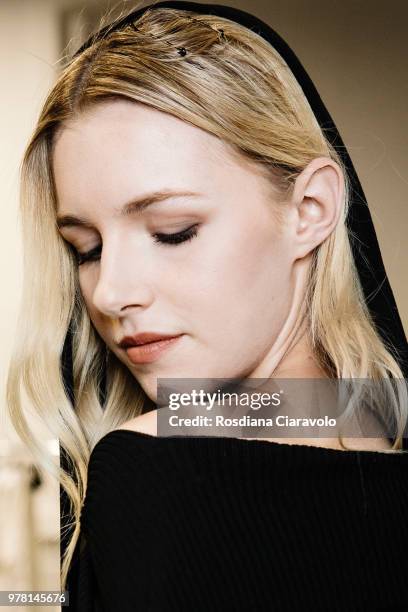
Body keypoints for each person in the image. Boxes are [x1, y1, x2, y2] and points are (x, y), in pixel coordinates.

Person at [6, 1, 408, 610]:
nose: (111, 293)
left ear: (310, 211)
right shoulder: (381, 426)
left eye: (173, 231)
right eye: (84, 248)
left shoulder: (153, 467)